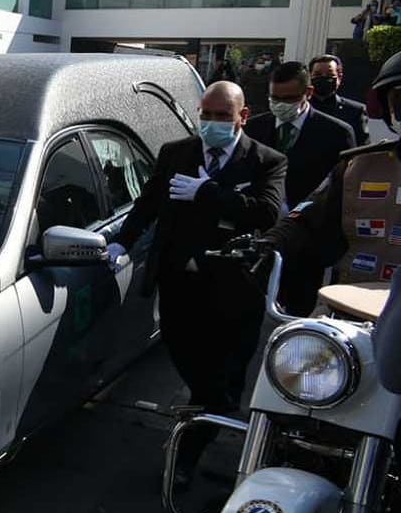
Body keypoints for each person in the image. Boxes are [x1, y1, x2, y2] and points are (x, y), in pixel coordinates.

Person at [107, 81, 287, 487]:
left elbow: (265, 213)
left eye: (222, 116)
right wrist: (123, 241)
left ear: (243, 116)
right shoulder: (176, 153)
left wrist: (208, 192)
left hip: (235, 289)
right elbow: (149, 203)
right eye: (206, 114)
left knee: (223, 379)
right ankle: (200, 425)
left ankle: (187, 454)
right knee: (197, 371)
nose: (212, 123)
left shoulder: (266, 160)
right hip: (180, 283)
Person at [263, 51, 401, 299]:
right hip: (355, 303)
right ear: (387, 106)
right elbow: (309, 213)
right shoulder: (359, 166)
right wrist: (267, 243)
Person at [244, 61, 355, 315]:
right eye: (275, 98)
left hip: (307, 243)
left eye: (289, 98)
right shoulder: (255, 129)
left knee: (296, 313)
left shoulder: (336, 133)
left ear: (308, 93)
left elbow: (340, 191)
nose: (281, 104)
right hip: (261, 237)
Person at [309, 54, 370, 146]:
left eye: (329, 75)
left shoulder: (355, 111)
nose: (323, 78)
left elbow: (363, 147)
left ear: (339, 77)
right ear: (310, 76)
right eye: (318, 74)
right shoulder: (300, 108)